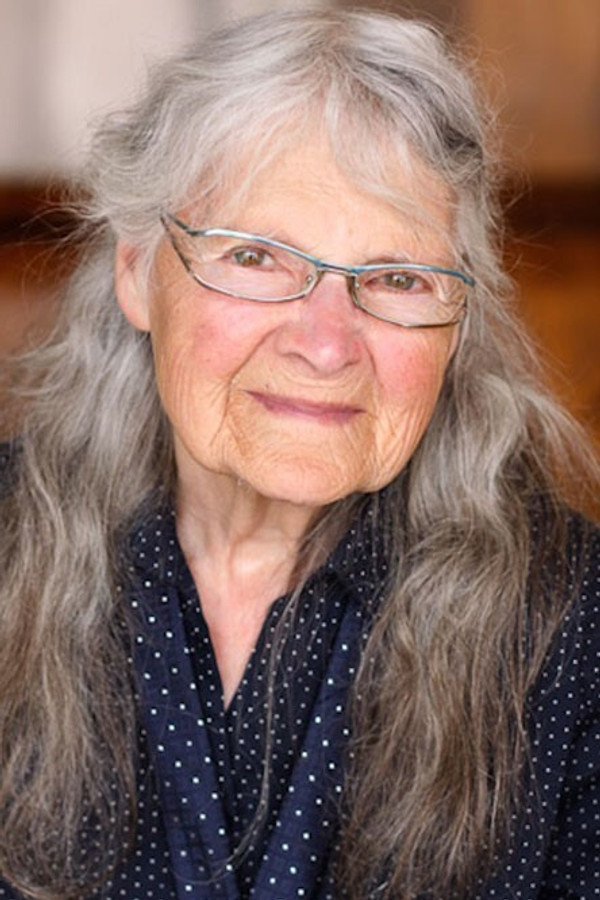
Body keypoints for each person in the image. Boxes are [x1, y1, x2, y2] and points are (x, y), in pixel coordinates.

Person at [0, 8, 598, 900]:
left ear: (459, 318)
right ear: (137, 272)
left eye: (397, 278)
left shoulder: (572, 626)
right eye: (256, 257)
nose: (325, 345)